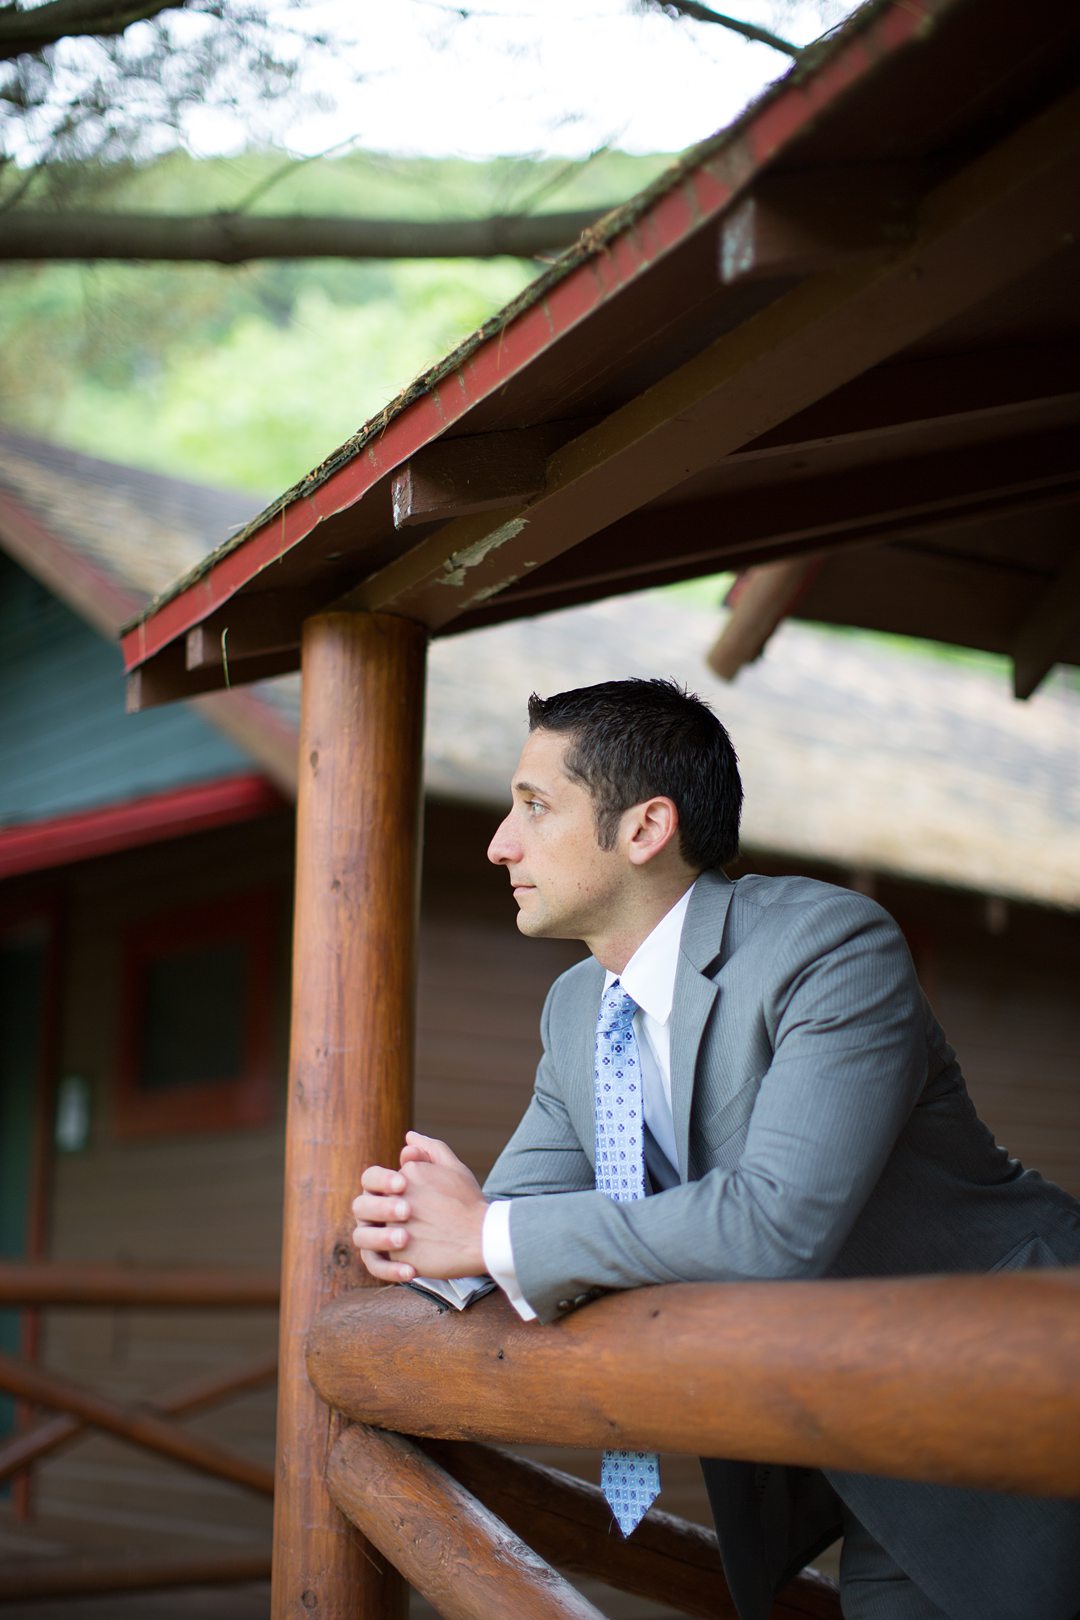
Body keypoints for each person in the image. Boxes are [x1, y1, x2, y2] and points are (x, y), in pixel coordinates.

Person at [351, 678, 1080, 1620]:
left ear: (646, 829)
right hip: (860, 1447)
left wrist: (486, 1234)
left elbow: (777, 1222)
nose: (501, 842)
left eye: (534, 807)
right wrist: (412, 1242)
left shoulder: (829, 945)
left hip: (1025, 1387)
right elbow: (511, 1218)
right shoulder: (578, 1007)